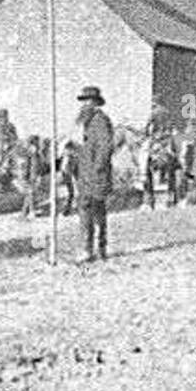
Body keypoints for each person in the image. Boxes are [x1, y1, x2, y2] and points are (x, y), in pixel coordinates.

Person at [75, 86, 114, 262]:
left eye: (87, 101)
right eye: (82, 101)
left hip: (96, 175)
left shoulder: (100, 120)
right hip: (85, 175)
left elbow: (105, 147)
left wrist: (97, 168)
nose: (83, 104)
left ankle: (99, 248)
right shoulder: (86, 123)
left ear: (95, 102)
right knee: (86, 210)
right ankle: (89, 249)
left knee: (96, 211)